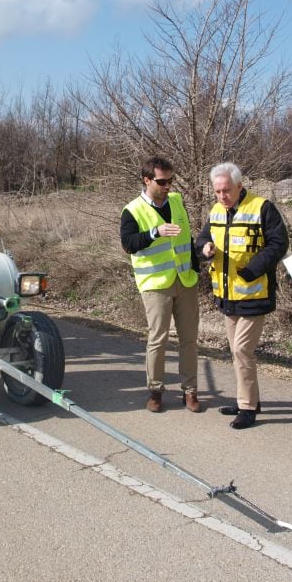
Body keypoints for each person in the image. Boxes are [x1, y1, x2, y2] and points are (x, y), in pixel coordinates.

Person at [195, 163, 287, 429]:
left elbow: (279, 243)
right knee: (237, 353)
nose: (222, 196)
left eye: (226, 190)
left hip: (253, 294)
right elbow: (201, 241)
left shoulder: (262, 207)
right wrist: (206, 249)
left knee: (242, 350)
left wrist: (252, 270)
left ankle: (247, 408)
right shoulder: (216, 211)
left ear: (239, 185)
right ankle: (246, 400)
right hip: (226, 294)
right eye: (217, 191)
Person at [120, 157, 203, 413]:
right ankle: (155, 391)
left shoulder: (177, 201)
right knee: (159, 339)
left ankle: (190, 391)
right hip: (156, 284)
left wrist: (196, 267)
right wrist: (155, 233)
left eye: (171, 180)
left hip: (185, 280)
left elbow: (187, 236)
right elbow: (129, 244)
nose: (168, 185)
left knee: (189, 339)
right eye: (162, 181)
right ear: (147, 180)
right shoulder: (132, 210)